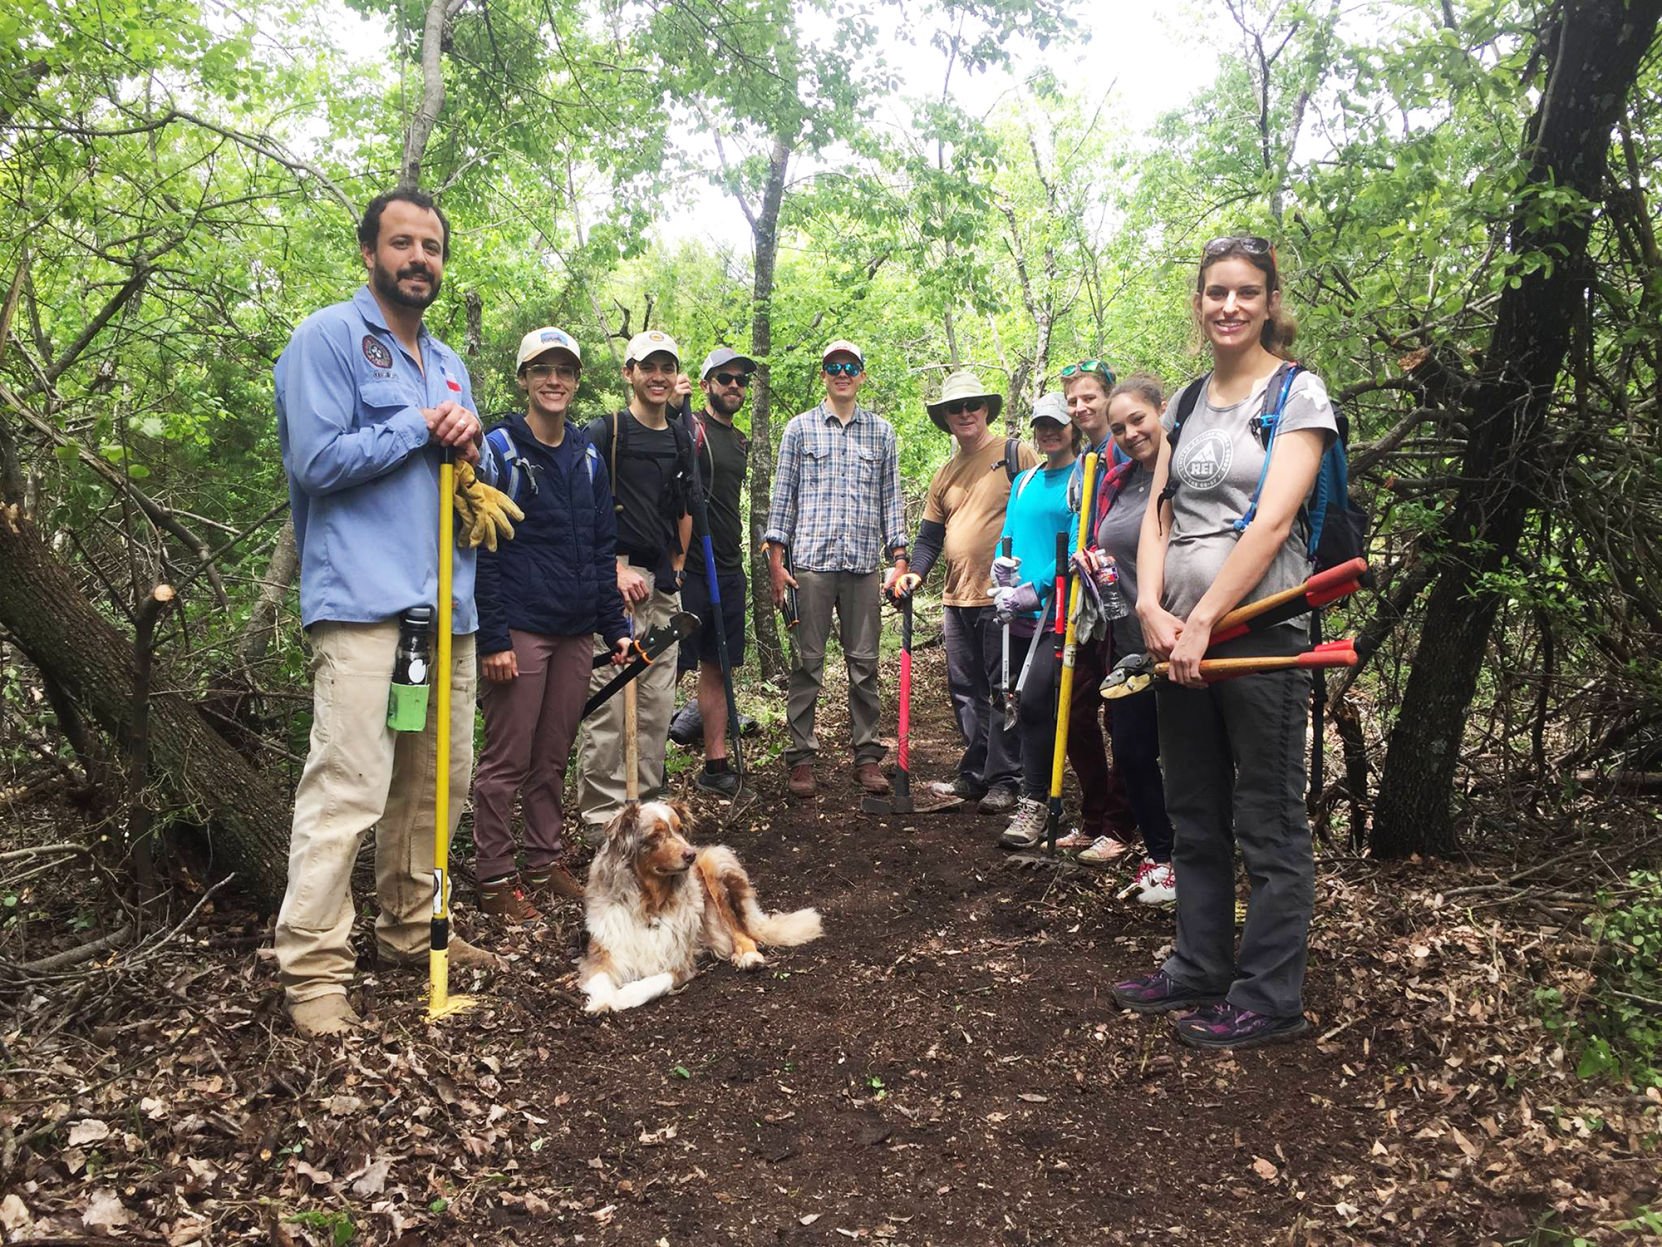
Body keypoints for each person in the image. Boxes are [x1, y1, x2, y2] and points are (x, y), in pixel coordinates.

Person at [273, 189, 503, 1038]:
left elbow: (448, 461)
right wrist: (418, 425)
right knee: (348, 787)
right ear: (369, 251)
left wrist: (472, 460)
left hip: (444, 610)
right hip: (366, 606)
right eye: (402, 243)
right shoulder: (326, 339)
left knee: (433, 784)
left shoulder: (447, 361)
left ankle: (411, 930)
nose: (420, 259)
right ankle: (314, 972)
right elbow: (317, 458)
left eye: (433, 247)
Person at [1112, 234, 1335, 1050]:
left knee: (1268, 816)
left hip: (1259, 631)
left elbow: (1274, 518)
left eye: (1247, 291)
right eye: (1215, 292)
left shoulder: (1297, 394)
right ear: (1199, 303)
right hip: (1177, 641)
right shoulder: (1185, 403)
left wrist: (1204, 620)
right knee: (1194, 808)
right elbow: (1160, 515)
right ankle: (1199, 963)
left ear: (1271, 300)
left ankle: (1270, 994)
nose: (1230, 306)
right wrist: (1149, 605)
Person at [471, 327, 632, 922]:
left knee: (554, 753)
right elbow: (479, 548)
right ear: (524, 380)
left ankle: (542, 861)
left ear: (576, 381)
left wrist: (613, 625)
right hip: (519, 627)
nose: (555, 380)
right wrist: (492, 637)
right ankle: (494, 876)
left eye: (564, 370)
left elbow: (599, 545)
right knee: (506, 759)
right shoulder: (498, 450)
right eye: (542, 370)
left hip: (574, 630)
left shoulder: (587, 456)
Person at [764, 340, 908, 799]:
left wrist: (898, 560)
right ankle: (801, 758)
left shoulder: (881, 433)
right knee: (807, 664)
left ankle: (867, 757)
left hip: (864, 566)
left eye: (850, 366)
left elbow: (891, 499)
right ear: (823, 374)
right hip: (810, 565)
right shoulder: (799, 430)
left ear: (862, 375)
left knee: (864, 665)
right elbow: (783, 497)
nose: (842, 373)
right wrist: (775, 561)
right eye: (833, 366)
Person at [895, 370, 1036, 814]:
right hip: (956, 599)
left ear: (986, 410)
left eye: (972, 405)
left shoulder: (1016, 454)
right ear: (946, 418)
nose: (965, 413)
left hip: (1003, 598)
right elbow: (930, 538)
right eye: (956, 408)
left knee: (1003, 689)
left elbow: (1040, 510)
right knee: (964, 689)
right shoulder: (946, 474)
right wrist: (915, 573)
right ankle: (975, 772)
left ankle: (1007, 778)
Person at [575, 329, 695, 828]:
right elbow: (578, 511)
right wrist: (614, 569)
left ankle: (646, 814)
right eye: (649, 367)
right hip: (615, 584)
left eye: (667, 367)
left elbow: (684, 506)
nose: (659, 376)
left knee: (655, 703)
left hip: (662, 585)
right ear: (629, 373)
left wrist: (679, 565)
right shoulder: (605, 432)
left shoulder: (680, 437)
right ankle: (605, 818)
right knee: (607, 705)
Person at [1073, 374, 1176, 902]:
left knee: (1183, 756)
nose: (1132, 432)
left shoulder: (1183, 476)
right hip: (1127, 640)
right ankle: (1162, 858)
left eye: (1139, 419)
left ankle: (1189, 859)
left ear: (1162, 409)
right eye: (1120, 427)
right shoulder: (1117, 480)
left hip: (1181, 637)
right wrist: (1093, 560)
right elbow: (1104, 539)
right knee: (1134, 752)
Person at [1059, 360, 1140, 863]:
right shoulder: (1088, 455)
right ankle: (1093, 817)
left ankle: (1118, 822)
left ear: (1108, 397)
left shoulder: (1124, 450)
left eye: (1089, 397)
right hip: (1086, 602)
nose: (1081, 407)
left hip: (1124, 602)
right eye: (1073, 401)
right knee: (1075, 704)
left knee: (1123, 713)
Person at [990, 393, 1080, 849]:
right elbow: (1008, 535)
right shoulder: (1025, 480)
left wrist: (1033, 590)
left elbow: (1077, 542)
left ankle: (1035, 800)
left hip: (1056, 613)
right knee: (1017, 701)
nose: (1049, 433)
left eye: (1057, 425)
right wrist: (1000, 572)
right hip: (1015, 614)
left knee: (1039, 700)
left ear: (1073, 428)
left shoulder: (1082, 477)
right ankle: (1034, 786)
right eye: (1042, 425)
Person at [676, 347, 756, 799]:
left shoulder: (739, 440)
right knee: (670, 665)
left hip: (727, 564)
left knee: (718, 664)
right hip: (690, 568)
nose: (733, 386)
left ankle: (716, 763)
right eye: (724, 378)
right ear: (706, 384)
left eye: (740, 380)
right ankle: (648, 767)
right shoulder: (690, 429)